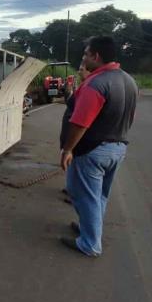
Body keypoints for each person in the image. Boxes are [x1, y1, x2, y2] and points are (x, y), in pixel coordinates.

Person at [59, 36, 138, 257]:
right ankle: (89, 229)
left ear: (96, 56)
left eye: (86, 54)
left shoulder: (96, 83)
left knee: (81, 194)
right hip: (118, 147)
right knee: (100, 195)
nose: (83, 58)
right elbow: (131, 116)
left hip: (93, 150)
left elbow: (80, 122)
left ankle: (90, 243)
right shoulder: (129, 80)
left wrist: (68, 149)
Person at [60, 61, 91, 204]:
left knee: (78, 166)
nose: (79, 72)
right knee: (72, 164)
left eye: (82, 69)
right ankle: (72, 189)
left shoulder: (90, 89)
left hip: (78, 140)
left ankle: (76, 194)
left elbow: (81, 119)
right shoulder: (83, 87)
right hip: (69, 134)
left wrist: (69, 148)